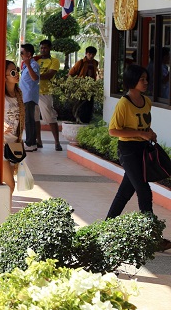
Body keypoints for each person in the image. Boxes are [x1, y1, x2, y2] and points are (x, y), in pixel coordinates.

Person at [104, 65, 171, 251]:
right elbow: (113, 130)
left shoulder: (146, 101)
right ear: (132, 80)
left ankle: (106, 227)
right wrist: (139, 134)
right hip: (128, 151)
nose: (146, 82)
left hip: (142, 149)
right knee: (144, 190)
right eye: (142, 79)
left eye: (146, 79)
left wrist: (149, 133)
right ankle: (152, 237)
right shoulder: (124, 103)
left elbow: (144, 126)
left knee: (125, 192)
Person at [3, 60, 26, 201]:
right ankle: (3, 218)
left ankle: (4, 215)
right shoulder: (0, 95)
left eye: (17, 71)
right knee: (10, 184)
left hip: (13, 144)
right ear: (4, 76)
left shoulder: (18, 94)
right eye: (12, 72)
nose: (16, 74)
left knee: (8, 187)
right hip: (0, 145)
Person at [37, 39, 62, 151]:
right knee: (34, 118)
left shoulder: (54, 61)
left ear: (50, 48)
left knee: (50, 118)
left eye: (45, 48)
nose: (43, 50)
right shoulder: (35, 59)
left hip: (45, 92)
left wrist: (34, 75)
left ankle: (57, 142)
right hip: (33, 92)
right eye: (41, 48)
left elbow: (49, 75)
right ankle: (38, 141)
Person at [69, 46, 99, 123]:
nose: (91, 56)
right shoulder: (81, 62)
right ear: (86, 54)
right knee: (80, 104)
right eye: (90, 54)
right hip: (81, 86)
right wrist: (74, 83)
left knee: (89, 104)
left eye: (93, 54)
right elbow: (71, 73)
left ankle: (87, 120)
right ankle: (78, 118)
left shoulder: (95, 63)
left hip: (91, 86)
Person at [20, 43, 41, 151]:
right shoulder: (25, 65)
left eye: (22, 53)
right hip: (25, 96)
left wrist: (28, 65)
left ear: (29, 54)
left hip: (29, 96)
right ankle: (32, 142)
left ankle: (30, 142)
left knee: (29, 120)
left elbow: (35, 78)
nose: (21, 55)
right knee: (28, 120)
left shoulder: (33, 65)